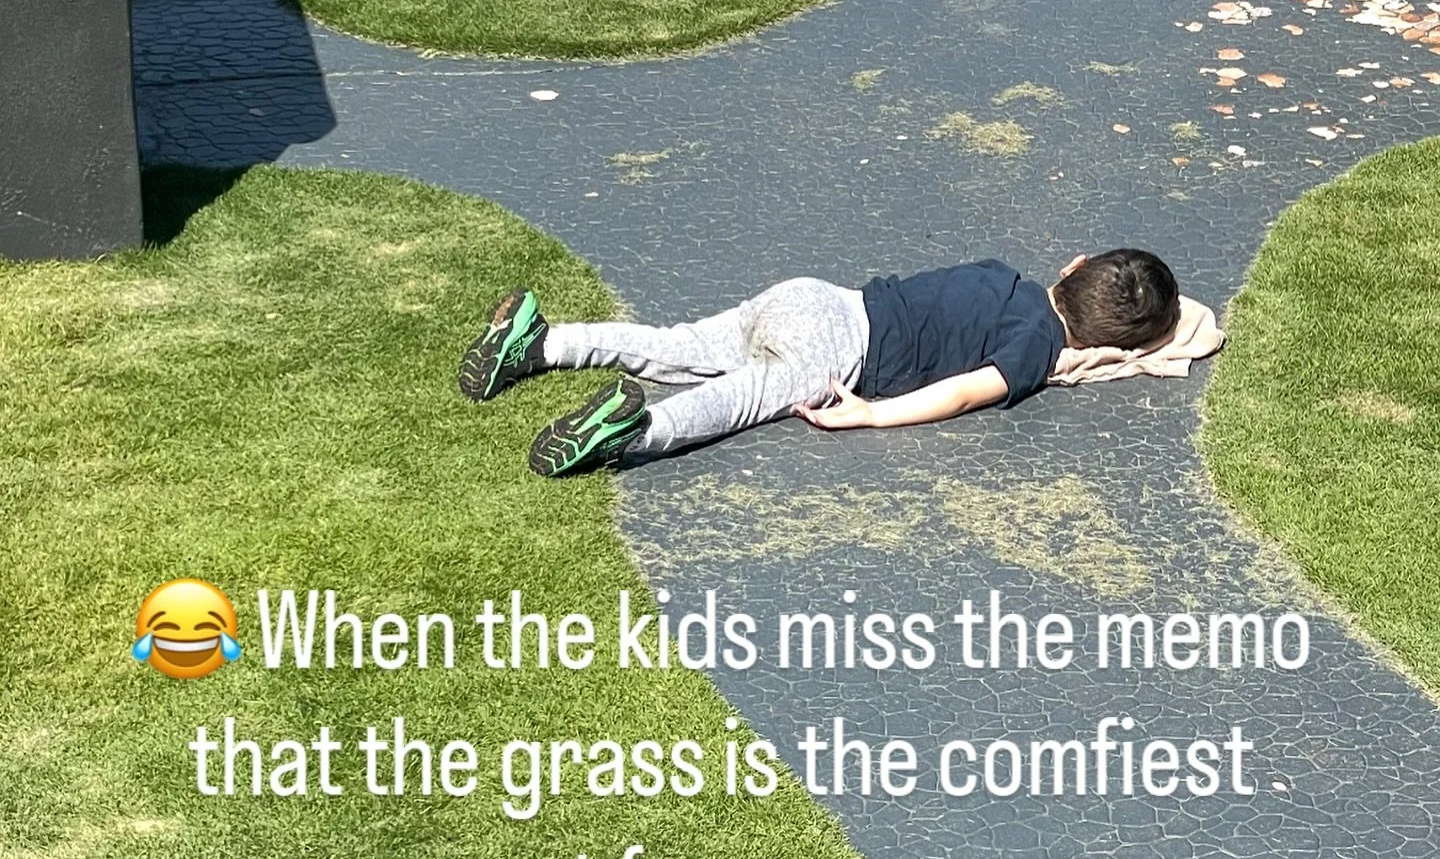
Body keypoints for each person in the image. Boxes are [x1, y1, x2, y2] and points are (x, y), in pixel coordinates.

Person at [459, 249, 1223, 478]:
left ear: (1074, 263)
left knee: (682, 342)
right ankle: (633, 429)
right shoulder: (1037, 351)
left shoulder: (1003, 278)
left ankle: (542, 342)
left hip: (816, 296)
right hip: (842, 351)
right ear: (1100, 345)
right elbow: (962, 393)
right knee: (743, 398)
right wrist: (870, 412)